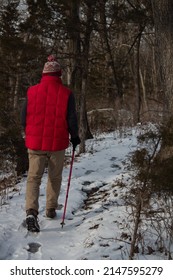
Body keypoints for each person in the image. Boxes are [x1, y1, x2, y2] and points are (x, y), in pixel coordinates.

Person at [21, 55, 81, 232]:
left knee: (33, 178)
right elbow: (71, 118)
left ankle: (31, 211)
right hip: (57, 144)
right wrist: (75, 136)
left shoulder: (31, 91)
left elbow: (23, 117)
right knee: (54, 177)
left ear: (44, 74)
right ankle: (50, 208)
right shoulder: (66, 93)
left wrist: (28, 131)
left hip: (35, 143)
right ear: (59, 74)